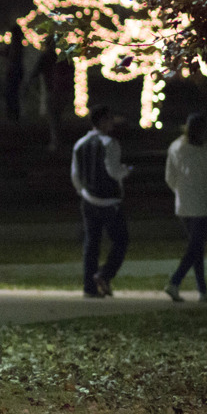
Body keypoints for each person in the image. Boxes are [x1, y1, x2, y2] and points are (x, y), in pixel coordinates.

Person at [162, 113, 207, 302]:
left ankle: (202, 289)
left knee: (195, 246)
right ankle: (175, 281)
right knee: (195, 246)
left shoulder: (175, 147)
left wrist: (180, 191)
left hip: (184, 204)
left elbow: (169, 177)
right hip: (204, 204)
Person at [71, 105, 132, 297]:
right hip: (108, 202)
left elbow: (75, 174)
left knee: (91, 244)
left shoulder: (80, 144)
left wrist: (83, 192)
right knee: (121, 240)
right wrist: (126, 171)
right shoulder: (110, 144)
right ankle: (104, 274)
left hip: (89, 200)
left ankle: (89, 287)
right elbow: (113, 171)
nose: (112, 122)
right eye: (109, 119)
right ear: (101, 121)